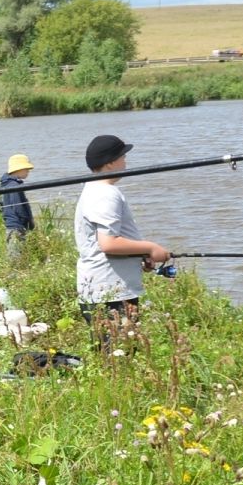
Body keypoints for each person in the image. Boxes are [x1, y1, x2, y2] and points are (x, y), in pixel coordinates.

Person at [74, 134, 169, 350]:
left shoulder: (92, 189)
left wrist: (138, 255)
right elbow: (109, 244)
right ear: (110, 162)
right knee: (121, 357)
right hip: (111, 293)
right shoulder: (106, 194)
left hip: (102, 289)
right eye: (122, 157)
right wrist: (151, 247)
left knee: (115, 356)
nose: (125, 162)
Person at [0, 153, 36, 259]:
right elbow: (19, 208)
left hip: (10, 225)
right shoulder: (14, 186)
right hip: (17, 227)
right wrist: (29, 224)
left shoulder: (4, 184)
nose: (28, 171)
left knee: (15, 254)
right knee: (16, 257)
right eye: (26, 169)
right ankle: (14, 274)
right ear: (18, 169)